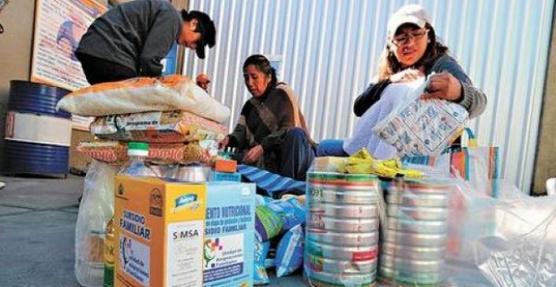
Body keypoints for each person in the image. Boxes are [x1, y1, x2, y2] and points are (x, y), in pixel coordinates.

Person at [317, 4, 487, 157]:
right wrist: (389, 81)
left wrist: (460, 92)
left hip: (420, 154)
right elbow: (359, 107)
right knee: (323, 148)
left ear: (429, 36)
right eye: (401, 37)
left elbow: (479, 102)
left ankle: (379, 167)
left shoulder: (442, 64)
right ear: (391, 43)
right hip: (371, 146)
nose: (409, 43)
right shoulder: (389, 73)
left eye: (416, 34)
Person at [219, 55, 315, 180]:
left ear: (268, 77)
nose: (250, 83)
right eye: (246, 78)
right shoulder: (250, 106)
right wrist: (228, 140)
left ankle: (287, 188)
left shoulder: (282, 93)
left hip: (293, 157)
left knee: (295, 134)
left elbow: (288, 127)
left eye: (254, 77)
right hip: (267, 161)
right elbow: (240, 134)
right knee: (229, 159)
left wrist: (263, 147)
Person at [75, 0, 216, 84]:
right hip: (110, 51)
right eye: (196, 42)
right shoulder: (173, 18)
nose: (191, 47)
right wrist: (164, 85)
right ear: (193, 23)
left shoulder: (164, 11)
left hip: (94, 50)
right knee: (136, 106)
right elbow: (149, 60)